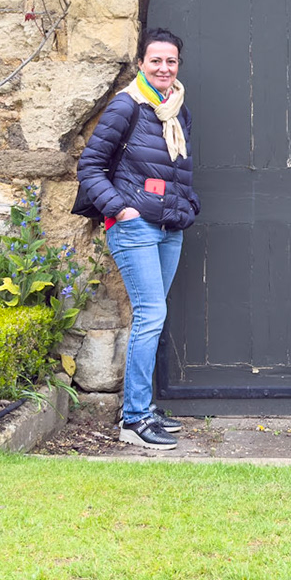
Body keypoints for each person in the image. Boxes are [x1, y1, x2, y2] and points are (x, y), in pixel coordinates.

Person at [76, 27, 199, 449]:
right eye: (156, 60)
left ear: (178, 65)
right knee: (151, 313)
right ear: (142, 64)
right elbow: (90, 166)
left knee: (152, 316)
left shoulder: (176, 108)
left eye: (171, 61)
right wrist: (119, 208)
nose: (164, 68)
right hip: (134, 226)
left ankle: (143, 407)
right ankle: (134, 419)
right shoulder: (126, 105)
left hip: (169, 226)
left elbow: (176, 168)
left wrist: (188, 204)